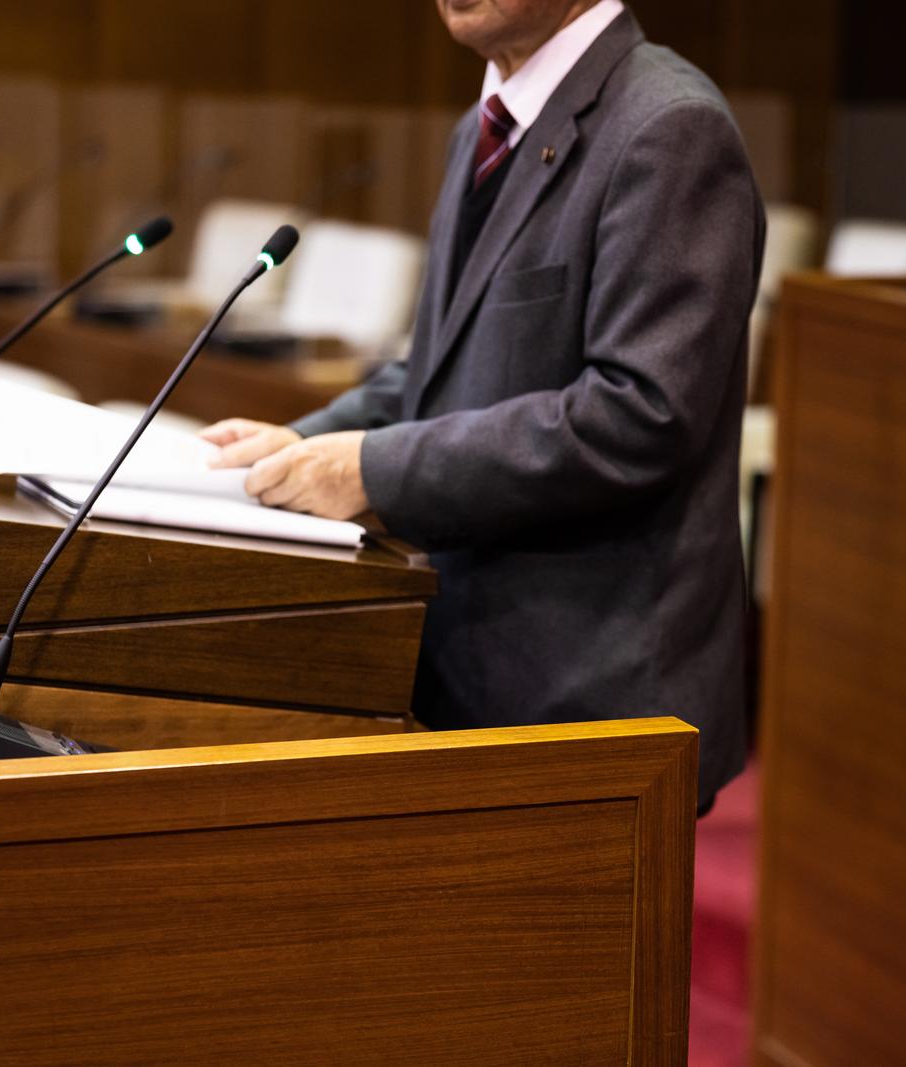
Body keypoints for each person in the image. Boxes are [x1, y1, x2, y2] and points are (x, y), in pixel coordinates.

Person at [201, 0, 763, 811]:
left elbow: (640, 416)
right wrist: (302, 443)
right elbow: (441, 365)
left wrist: (371, 469)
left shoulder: (669, 127)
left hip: (594, 699)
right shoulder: (487, 124)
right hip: (474, 667)